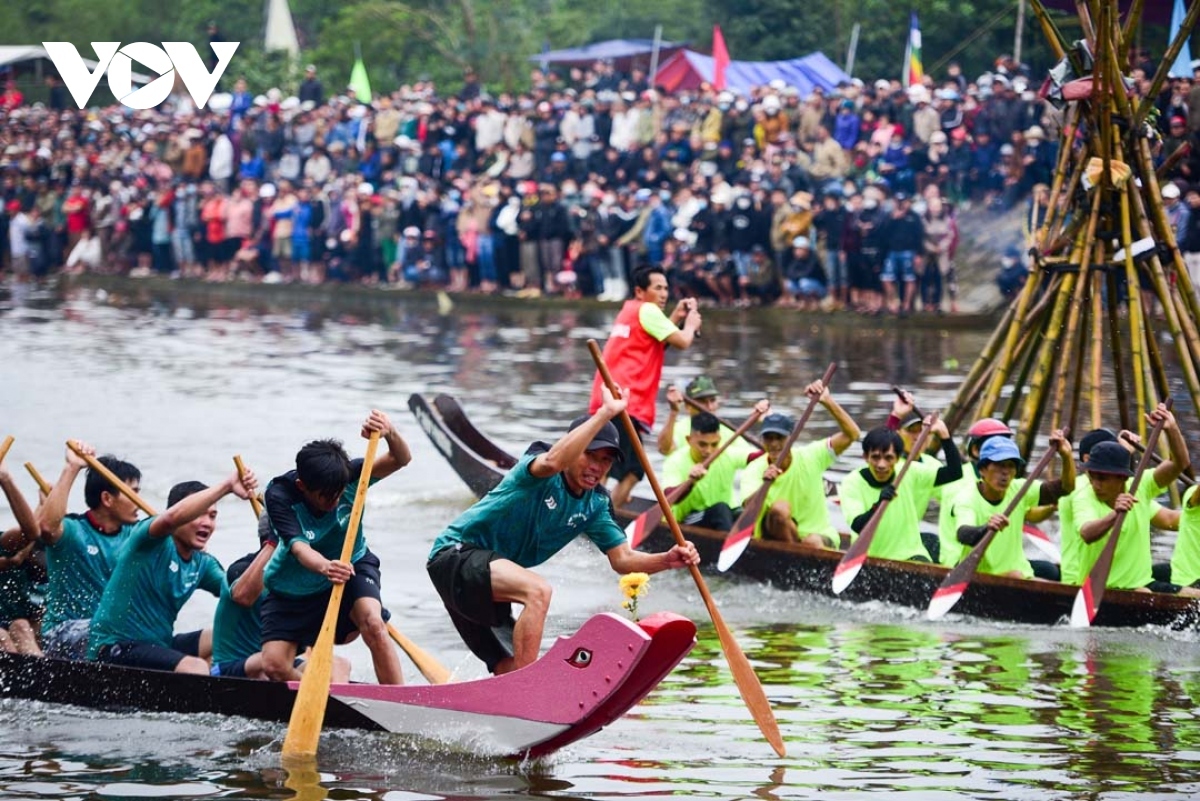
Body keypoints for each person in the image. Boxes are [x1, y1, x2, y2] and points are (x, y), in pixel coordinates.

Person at [427, 387, 701, 675]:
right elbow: (555, 460)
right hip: (455, 555)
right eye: (590, 455)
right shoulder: (541, 465)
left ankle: (513, 701)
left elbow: (623, 560)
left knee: (509, 666)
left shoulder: (595, 504)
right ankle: (526, 685)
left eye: (606, 460)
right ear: (573, 447)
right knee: (538, 592)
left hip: (487, 584)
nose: (597, 467)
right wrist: (606, 412)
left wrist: (667, 560)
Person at [260, 410, 412, 685]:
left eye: (338, 494)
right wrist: (325, 566)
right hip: (294, 584)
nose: (333, 501)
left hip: (352, 562)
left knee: (375, 625)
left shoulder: (351, 474)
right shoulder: (280, 495)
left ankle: (400, 704)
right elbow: (298, 548)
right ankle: (320, 696)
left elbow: (401, 459)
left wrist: (390, 432)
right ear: (302, 486)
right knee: (273, 664)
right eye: (324, 497)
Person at [88, 474, 258, 674]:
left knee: (232, 639)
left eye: (212, 516)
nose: (207, 523)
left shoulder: (202, 562)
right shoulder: (148, 541)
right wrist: (227, 485)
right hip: (113, 646)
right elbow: (170, 519)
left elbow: (240, 594)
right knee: (196, 667)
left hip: (159, 645)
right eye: (199, 514)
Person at [588, 267, 702, 509]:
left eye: (666, 288)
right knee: (629, 470)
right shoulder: (647, 310)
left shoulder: (630, 310)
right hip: (624, 401)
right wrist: (689, 325)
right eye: (657, 288)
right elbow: (682, 341)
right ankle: (600, 522)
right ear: (640, 291)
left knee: (607, 461)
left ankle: (597, 516)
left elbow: (654, 345)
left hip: (610, 397)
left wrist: (676, 318)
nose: (663, 294)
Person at [1071, 405, 1198, 595]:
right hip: (1100, 591)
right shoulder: (1083, 496)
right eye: (1092, 476)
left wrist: (1171, 429)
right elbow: (1087, 534)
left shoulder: (1141, 485)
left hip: (1142, 584)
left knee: (1194, 596)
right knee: (1145, 594)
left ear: (1122, 477)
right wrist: (1115, 514)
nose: (1095, 484)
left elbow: (1179, 463)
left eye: (1103, 478)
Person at [33, 443, 144, 659]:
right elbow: (46, 526)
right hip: (63, 633)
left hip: (111, 636)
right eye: (133, 493)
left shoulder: (135, 535)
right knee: (110, 631)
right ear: (107, 499)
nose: (139, 502)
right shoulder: (74, 532)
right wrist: (72, 467)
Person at [211, 515, 351, 681]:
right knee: (268, 663)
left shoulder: (301, 580)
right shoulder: (241, 569)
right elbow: (244, 597)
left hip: (277, 664)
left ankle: (333, 699)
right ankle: (315, 694)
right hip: (229, 669)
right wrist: (276, 542)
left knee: (339, 664)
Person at [739, 380, 861, 548]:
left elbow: (852, 434)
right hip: (775, 533)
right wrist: (764, 487)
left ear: (792, 438)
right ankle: (796, 557)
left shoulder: (812, 455)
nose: (774, 444)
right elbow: (748, 513)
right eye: (769, 438)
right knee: (779, 509)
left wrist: (827, 401)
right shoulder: (754, 469)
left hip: (817, 537)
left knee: (812, 542)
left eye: (779, 438)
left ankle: (799, 555)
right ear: (762, 439)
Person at [947, 434, 1073, 580]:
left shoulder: (1019, 489)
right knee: (1016, 575)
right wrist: (987, 527)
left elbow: (1066, 487)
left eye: (1010, 466)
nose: (1005, 473)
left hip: (1020, 574)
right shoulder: (967, 498)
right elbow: (963, 534)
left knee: (1047, 572)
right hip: (981, 577)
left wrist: (1066, 456)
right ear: (982, 470)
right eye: (999, 465)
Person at [839, 422, 963, 563]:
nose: (881, 465)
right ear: (865, 457)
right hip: (868, 556)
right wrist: (879, 504)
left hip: (910, 553)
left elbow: (954, 473)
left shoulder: (908, 471)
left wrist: (944, 436)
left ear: (898, 458)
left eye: (888, 458)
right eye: (875, 457)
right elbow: (858, 526)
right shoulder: (852, 482)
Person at [661, 412, 742, 531]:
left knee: (742, 513)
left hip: (716, 514)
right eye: (702, 444)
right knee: (721, 509)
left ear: (719, 440)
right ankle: (728, 547)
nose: (709, 451)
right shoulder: (675, 461)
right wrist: (691, 482)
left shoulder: (726, 453)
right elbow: (668, 497)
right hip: (685, 519)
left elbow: (755, 456)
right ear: (689, 440)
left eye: (714, 444)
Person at [657, 375, 760, 461]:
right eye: (702, 402)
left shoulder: (727, 430)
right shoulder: (679, 429)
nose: (709, 407)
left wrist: (764, 422)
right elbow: (664, 450)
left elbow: (755, 458)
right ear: (688, 406)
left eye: (712, 400)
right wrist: (673, 412)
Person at [0, 461, 41, 655]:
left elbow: (31, 532)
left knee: (22, 627)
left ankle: (46, 681)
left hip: (13, 620)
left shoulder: (3, 540)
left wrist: (5, 479)